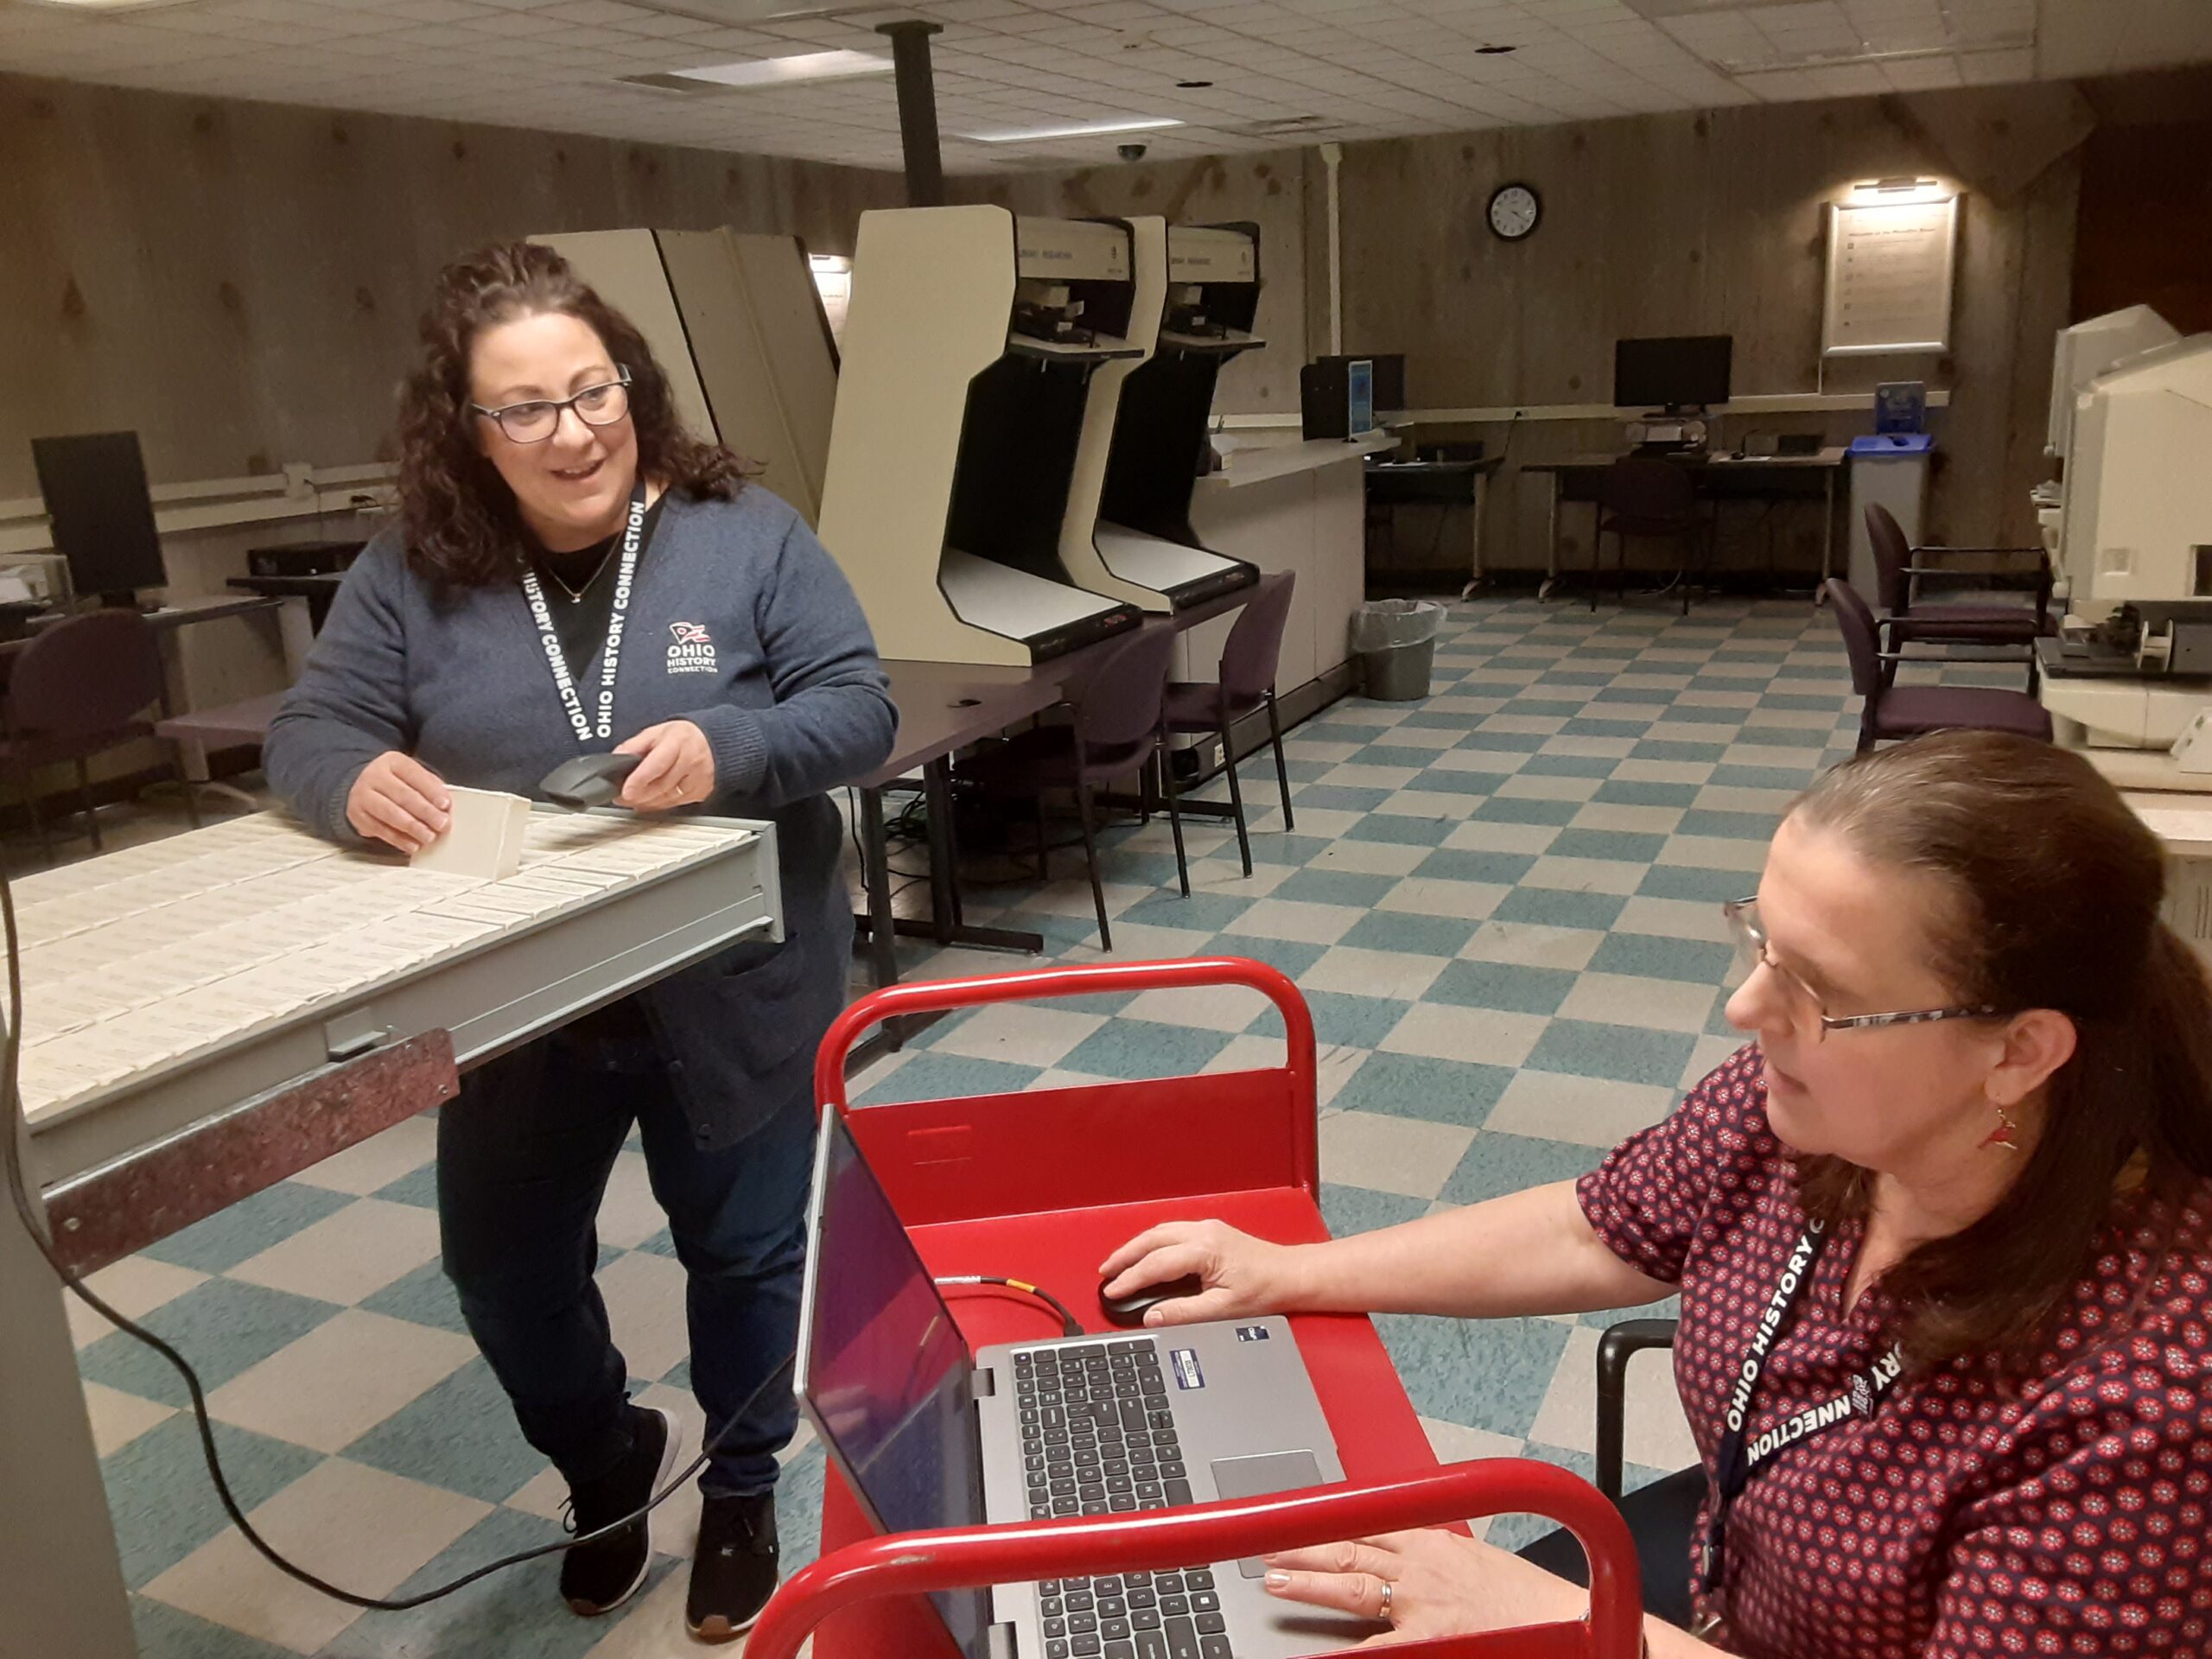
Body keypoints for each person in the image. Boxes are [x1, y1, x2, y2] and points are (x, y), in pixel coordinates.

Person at [1102, 731, 2212, 1658]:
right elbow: (1598, 1225)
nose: (1744, 1008)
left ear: (2019, 1051)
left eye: (1819, 989)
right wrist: (1292, 1270)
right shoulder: (1804, 1113)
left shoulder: (2153, 1398)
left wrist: (1574, 1623)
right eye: (1761, 944)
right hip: (1722, 1585)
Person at [265, 242, 894, 1641]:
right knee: (500, 1269)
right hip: (522, 1007)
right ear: (472, 435)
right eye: (528, 409)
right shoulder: (414, 573)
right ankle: (606, 1459)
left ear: (633, 384)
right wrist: (348, 780)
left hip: (732, 989)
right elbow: (305, 731)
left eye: (594, 389)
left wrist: (732, 745)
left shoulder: (746, 534)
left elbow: (859, 708)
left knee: (741, 1256)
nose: (575, 430)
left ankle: (741, 1492)